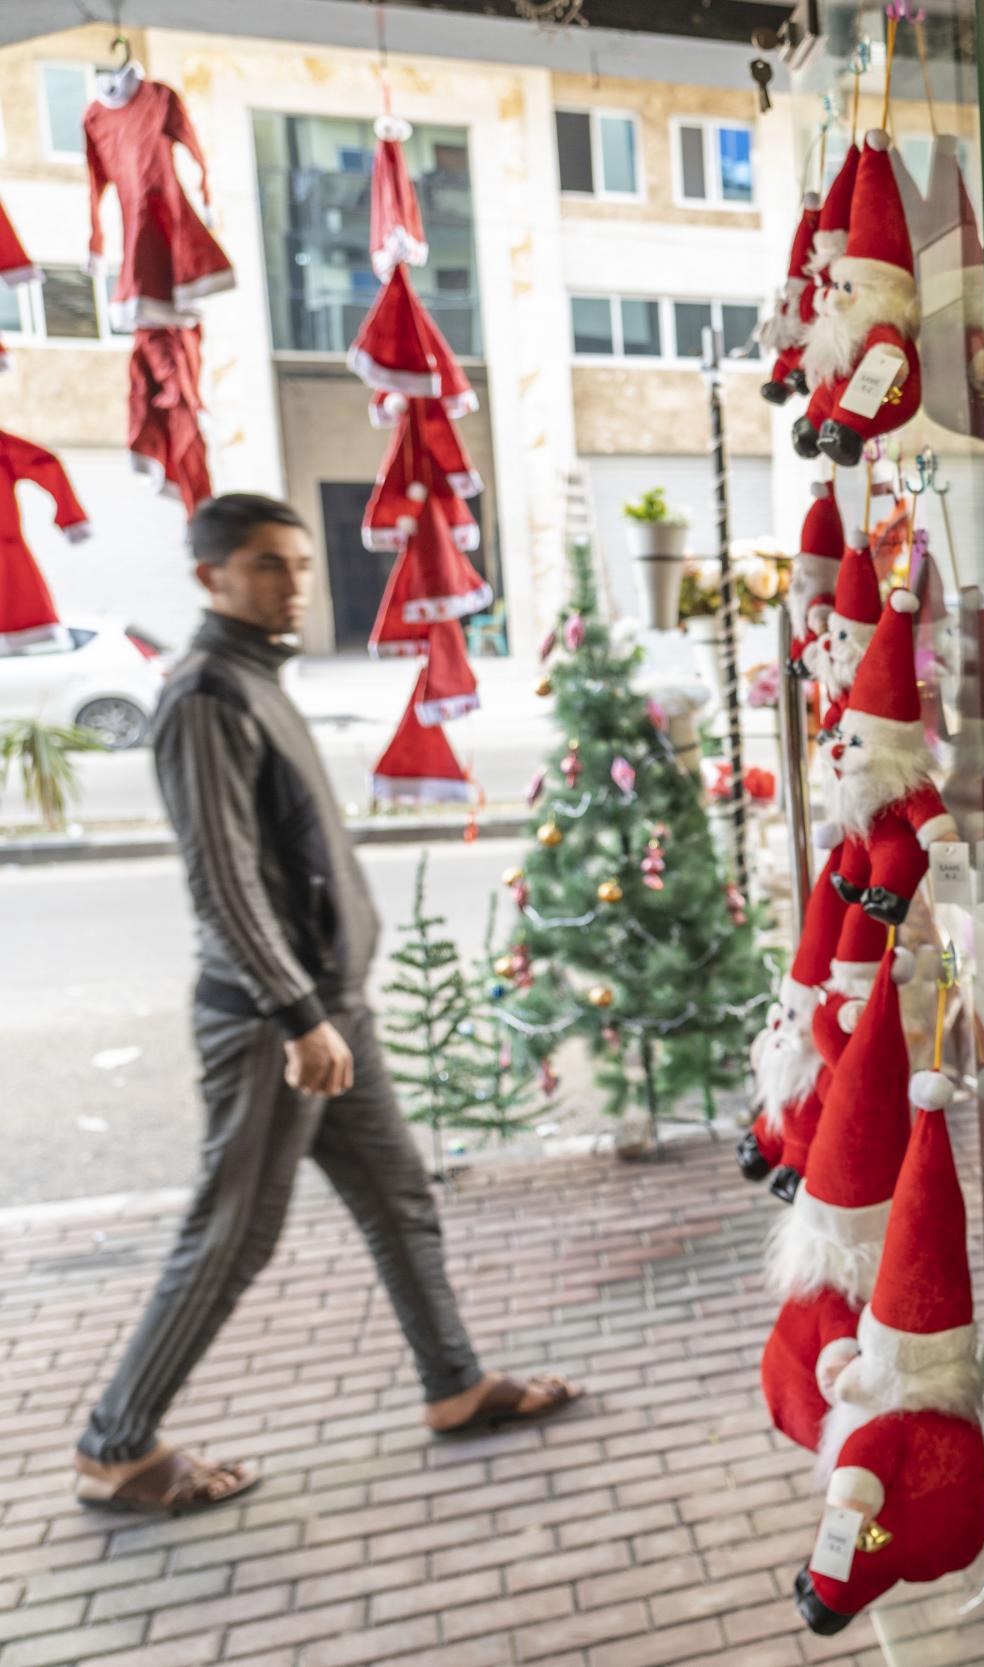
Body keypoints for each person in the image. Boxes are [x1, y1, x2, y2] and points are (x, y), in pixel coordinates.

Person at [70, 493, 579, 1517]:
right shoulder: (208, 693)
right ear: (209, 575)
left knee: (400, 1198)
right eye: (265, 564)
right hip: (276, 1023)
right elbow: (224, 881)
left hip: (326, 1010)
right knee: (234, 1231)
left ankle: (455, 1385)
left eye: (299, 563)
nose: (290, 582)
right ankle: (115, 1445)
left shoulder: (256, 675)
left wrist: (324, 1009)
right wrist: (299, 1016)